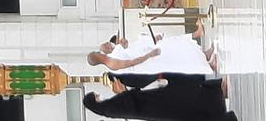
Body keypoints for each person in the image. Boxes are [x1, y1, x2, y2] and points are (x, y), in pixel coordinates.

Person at [83, 78, 237, 121]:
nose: (98, 96)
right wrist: (124, 93)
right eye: (95, 97)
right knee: (186, 101)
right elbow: (130, 109)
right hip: (152, 105)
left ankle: (218, 93)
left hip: (153, 104)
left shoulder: (107, 107)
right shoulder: (108, 108)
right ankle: (218, 93)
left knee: (185, 99)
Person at [89, 33, 216, 76]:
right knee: (177, 59)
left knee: (176, 47)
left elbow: (127, 53)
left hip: (148, 54)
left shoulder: (111, 57)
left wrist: (124, 44)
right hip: (149, 61)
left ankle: (204, 54)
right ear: (97, 57)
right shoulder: (111, 63)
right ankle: (208, 65)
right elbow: (132, 62)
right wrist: (149, 55)